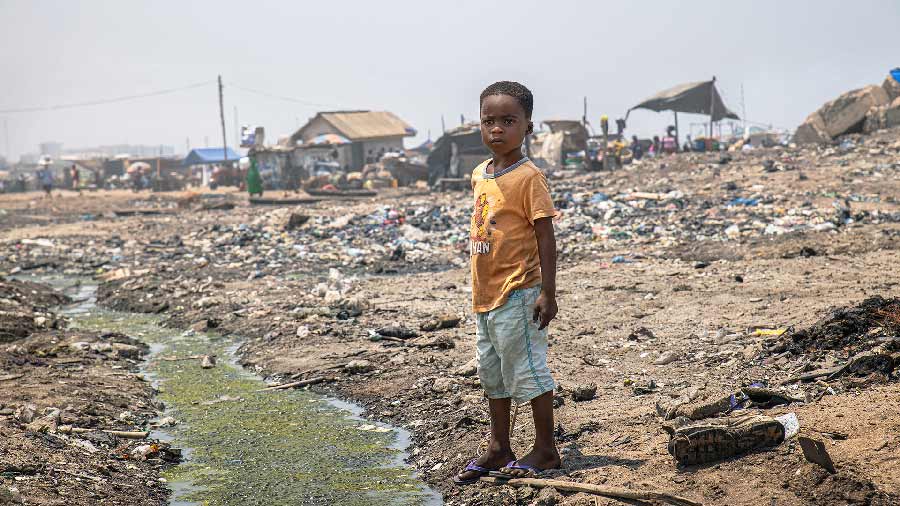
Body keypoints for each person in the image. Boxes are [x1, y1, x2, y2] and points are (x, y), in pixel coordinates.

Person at [453, 81, 560, 485]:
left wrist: (548, 292)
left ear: (527, 127)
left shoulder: (529, 177)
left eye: (508, 121)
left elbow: (545, 236)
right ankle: (500, 446)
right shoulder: (479, 174)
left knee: (527, 370)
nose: (497, 129)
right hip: (485, 294)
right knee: (492, 373)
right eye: (489, 121)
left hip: (520, 291)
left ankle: (546, 449)